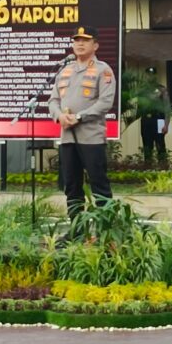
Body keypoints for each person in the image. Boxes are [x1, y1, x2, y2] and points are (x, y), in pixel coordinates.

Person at [48, 26, 116, 219]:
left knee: (99, 185)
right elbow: (52, 100)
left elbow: (105, 102)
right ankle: (77, 230)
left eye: (85, 40)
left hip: (91, 138)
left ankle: (106, 231)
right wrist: (60, 116)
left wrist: (79, 117)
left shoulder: (103, 70)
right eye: (76, 40)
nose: (79, 44)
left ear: (95, 45)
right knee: (71, 186)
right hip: (67, 138)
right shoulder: (65, 70)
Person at [140, 84, 171, 165]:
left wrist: (166, 124)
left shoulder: (162, 89)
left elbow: (167, 108)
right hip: (146, 121)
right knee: (147, 146)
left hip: (158, 120)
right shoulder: (143, 90)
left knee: (160, 145)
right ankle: (147, 167)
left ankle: (163, 167)